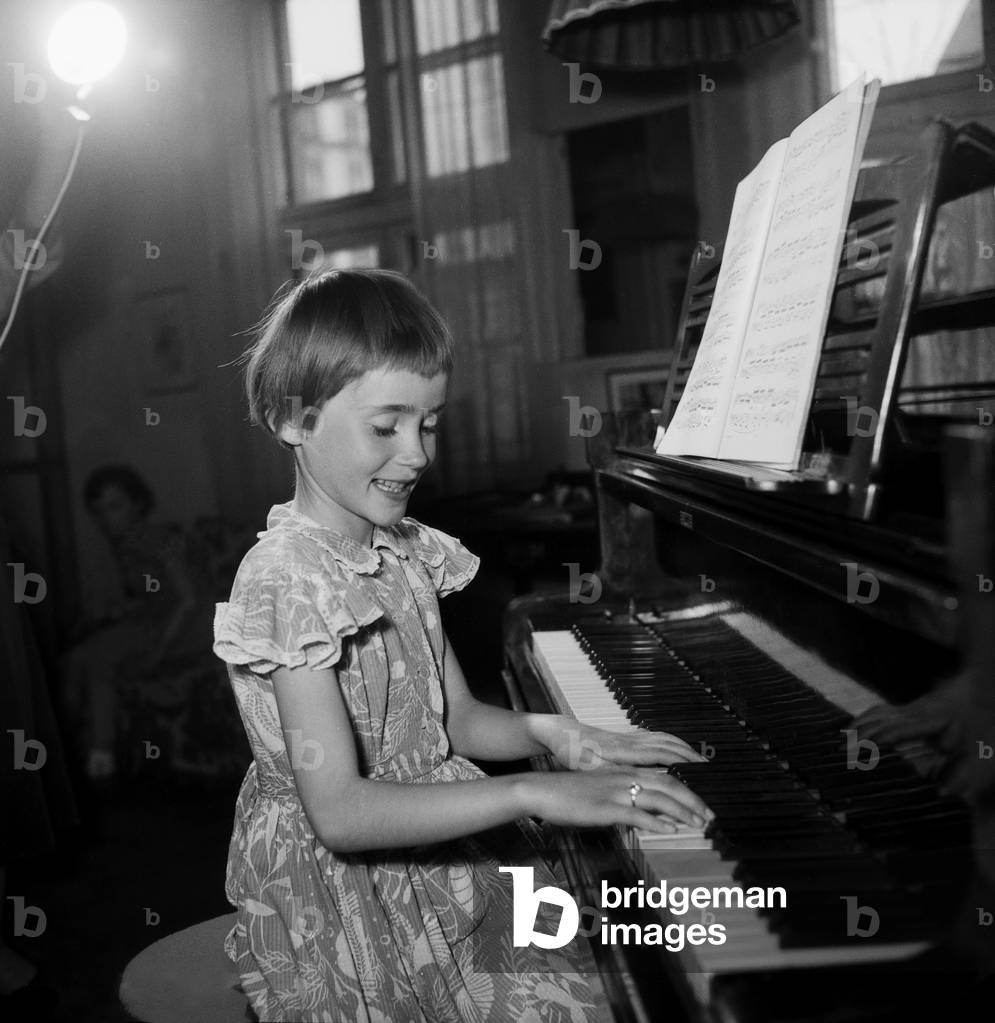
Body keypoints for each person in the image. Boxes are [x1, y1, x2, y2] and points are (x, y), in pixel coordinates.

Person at [214, 269, 712, 1022]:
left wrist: (558, 735)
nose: (416, 454)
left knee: (617, 972)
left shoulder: (406, 550)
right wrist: (531, 788)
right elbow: (341, 813)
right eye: (386, 426)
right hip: (353, 901)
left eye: (430, 422)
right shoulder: (287, 575)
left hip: (445, 854)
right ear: (294, 417)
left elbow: (454, 721)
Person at [62, 466, 214, 779]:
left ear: (139, 504)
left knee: (99, 660)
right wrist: (119, 612)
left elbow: (188, 601)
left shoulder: (157, 539)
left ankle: (100, 756)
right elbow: (152, 595)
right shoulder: (125, 544)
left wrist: (160, 649)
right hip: (157, 619)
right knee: (75, 657)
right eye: (99, 511)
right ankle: (67, 743)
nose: (106, 519)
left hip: (191, 626)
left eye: (115, 507)